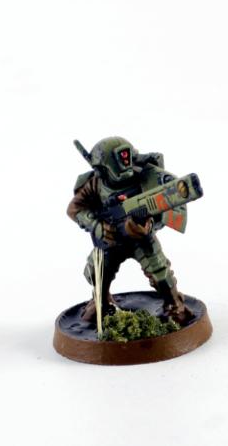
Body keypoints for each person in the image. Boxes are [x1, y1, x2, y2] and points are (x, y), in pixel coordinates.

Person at [67, 136, 192, 324]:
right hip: (110, 238)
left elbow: (163, 208)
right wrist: (97, 226)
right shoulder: (95, 183)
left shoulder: (146, 177)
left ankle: (175, 304)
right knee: (97, 272)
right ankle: (101, 302)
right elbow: (75, 209)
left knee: (160, 271)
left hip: (140, 238)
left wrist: (149, 225)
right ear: (102, 169)